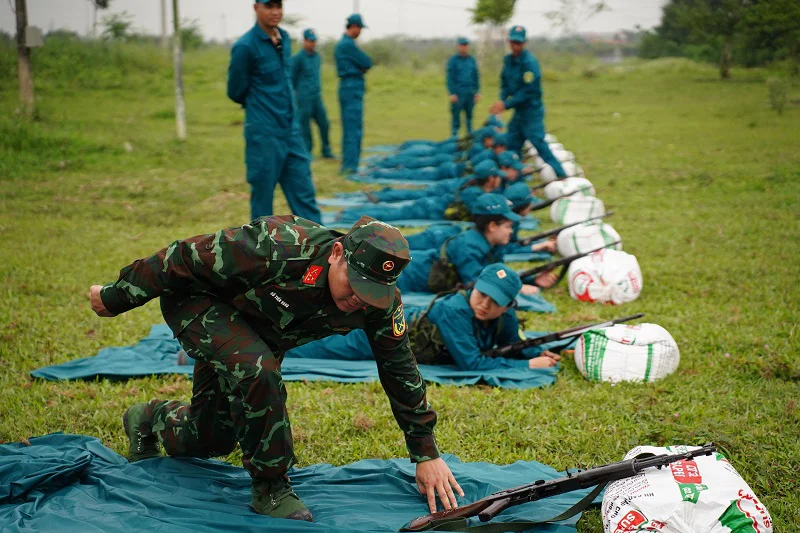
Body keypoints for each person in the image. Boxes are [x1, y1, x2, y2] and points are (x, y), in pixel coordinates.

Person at [88, 215, 463, 521]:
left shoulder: (379, 303)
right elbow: (182, 257)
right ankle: (271, 488)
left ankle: (149, 417)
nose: (358, 300)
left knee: (211, 439)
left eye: (372, 293)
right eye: (356, 285)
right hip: (199, 302)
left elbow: (399, 367)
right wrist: (116, 295)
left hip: (256, 331)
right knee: (258, 370)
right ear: (336, 253)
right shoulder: (278, 246)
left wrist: (425, 452)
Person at [288, 264, 561, 371]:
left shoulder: (506, 316)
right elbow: (472, 363)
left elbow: (514, 341)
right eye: (482, 295)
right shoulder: (454, 310)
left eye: (495, 302)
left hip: (399, 337)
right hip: (382, 338)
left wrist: (539, 351)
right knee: (311, 343)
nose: (485, 305)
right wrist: (528, 366)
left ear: (509, 305)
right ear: (474, 286)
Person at [227, 0, 322, 223]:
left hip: (291, 131)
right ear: (256, 8)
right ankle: (261, 256)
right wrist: (262, 105)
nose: (275, 12)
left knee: (305, 195)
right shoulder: (246, 47)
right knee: (263, 201)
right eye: (269, 6)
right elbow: (235, 90)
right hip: (264, 133)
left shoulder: (285, 39)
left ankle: (323, 252)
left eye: (279, 6)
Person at [396, 192, 545, 295]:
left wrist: (532, 280)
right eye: (507, 226)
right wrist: (518, 289)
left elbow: (495, 274)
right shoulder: (468, 247)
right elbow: (478, 286)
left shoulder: (492, 245)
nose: (511, 232)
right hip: (404, 275)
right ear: (492, 226)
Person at [489, 25, 567, 179]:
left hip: (532, 112)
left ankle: (562, 175)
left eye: (518, 43)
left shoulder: (530, 63)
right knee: (512, 144)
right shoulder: (508, 61)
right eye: (512, 42)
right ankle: (517, 180)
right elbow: (505, 84)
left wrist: (506, 105)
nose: (515, 46)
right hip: (519, 113)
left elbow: (527, 91)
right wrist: (501, 101)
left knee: (539, 144)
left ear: (524, 43)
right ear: (508, 41)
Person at [335, 159, 504, 224]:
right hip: (429, 208)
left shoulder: (475, 189)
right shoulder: (474, 194)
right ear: (490, 179)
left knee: (390, 213)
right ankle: (348, 215)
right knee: (388, 216)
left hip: (431, 206)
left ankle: (351, 213)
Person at [335, 14, 372, 175]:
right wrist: (361, 69)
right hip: (352, 86)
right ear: (354, 27)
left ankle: (350, 164)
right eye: (360, 28)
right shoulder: (347, 45)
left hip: (348, 86)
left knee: (351, 127)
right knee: (353, 128)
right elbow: (367, 62)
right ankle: (350, 167)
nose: (361, 32)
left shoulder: (344, 44)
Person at [291, 28, 334, 160]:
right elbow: (292, 78)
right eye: (310, 41)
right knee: (305, 126)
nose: (313, 43)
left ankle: (326, 150)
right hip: (304, 97)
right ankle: (307, 151)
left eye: (314, 41)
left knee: (324, 123)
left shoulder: (317, 57)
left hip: (316, 96)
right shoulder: (297, 58)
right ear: (304, 41)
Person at [446, 37, 480, 138]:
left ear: (468, 46)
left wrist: (477, 91)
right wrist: (452, 93)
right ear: (458, 46)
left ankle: (470, 135)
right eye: (461, 45)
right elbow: (450, 78)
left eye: (465, 45)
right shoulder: (453, 61)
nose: (463, 48)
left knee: (469, 116)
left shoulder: (472, 60)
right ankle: (454, 136)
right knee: (456, 116)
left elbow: (476, 76)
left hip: (470, 92)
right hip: (458, 92)